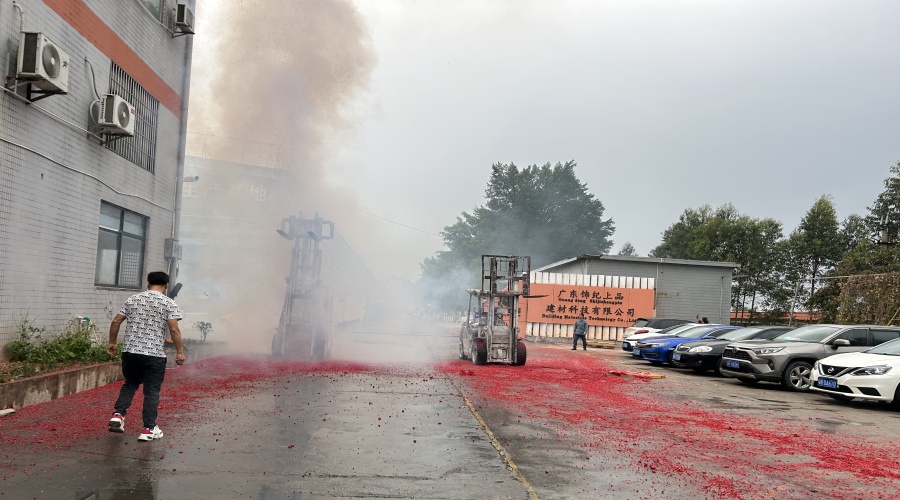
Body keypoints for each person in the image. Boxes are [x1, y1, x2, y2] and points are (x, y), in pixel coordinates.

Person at [106, 271, 185, 442]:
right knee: (151, 392)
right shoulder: (168, 303)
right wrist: (179, 352)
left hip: (130, 352)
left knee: (131, 383)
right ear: (166, 286)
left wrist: (112, 342)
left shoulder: (132, 299)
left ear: (148, 284)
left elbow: (115, 322)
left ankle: (118, 415)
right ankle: (148, 429)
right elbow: (174, 330)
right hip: (153, 355)